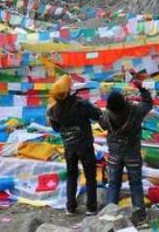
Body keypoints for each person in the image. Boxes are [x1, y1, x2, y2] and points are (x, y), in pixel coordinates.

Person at [100, 77, 153, 225]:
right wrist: (141, 89)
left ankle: (110, 216)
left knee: (113, 184)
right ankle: (140, 217)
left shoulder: (106, 116)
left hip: (114, 154)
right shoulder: (136, 111)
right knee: (135, 185)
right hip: (133, 153)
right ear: (124, 102)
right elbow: (148, 103)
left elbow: (103, 126)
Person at [47, 75, 102, 215]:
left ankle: (71, 207)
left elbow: (56, 128)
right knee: (90, 176)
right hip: (85, 145)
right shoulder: (81, 104)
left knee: (71, 176)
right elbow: (97, 115)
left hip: (69, 147)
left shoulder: (54, 110)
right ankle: (91, 207)